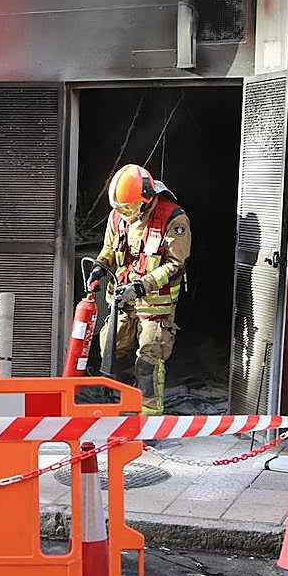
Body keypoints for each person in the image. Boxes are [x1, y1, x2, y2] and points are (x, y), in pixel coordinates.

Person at [94, 163, 192, 416]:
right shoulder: (118, 216)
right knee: (109, 350)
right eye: (119, 208)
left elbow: (175, 265)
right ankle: (124, 403)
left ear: (146, 199)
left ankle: (149, 418)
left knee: (148, 360)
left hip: (155, 307)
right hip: (122, 303)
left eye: (129, 207)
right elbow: (109, 248)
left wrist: (140, 287)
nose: (124, 213)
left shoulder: (173, 218)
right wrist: (99, 266)